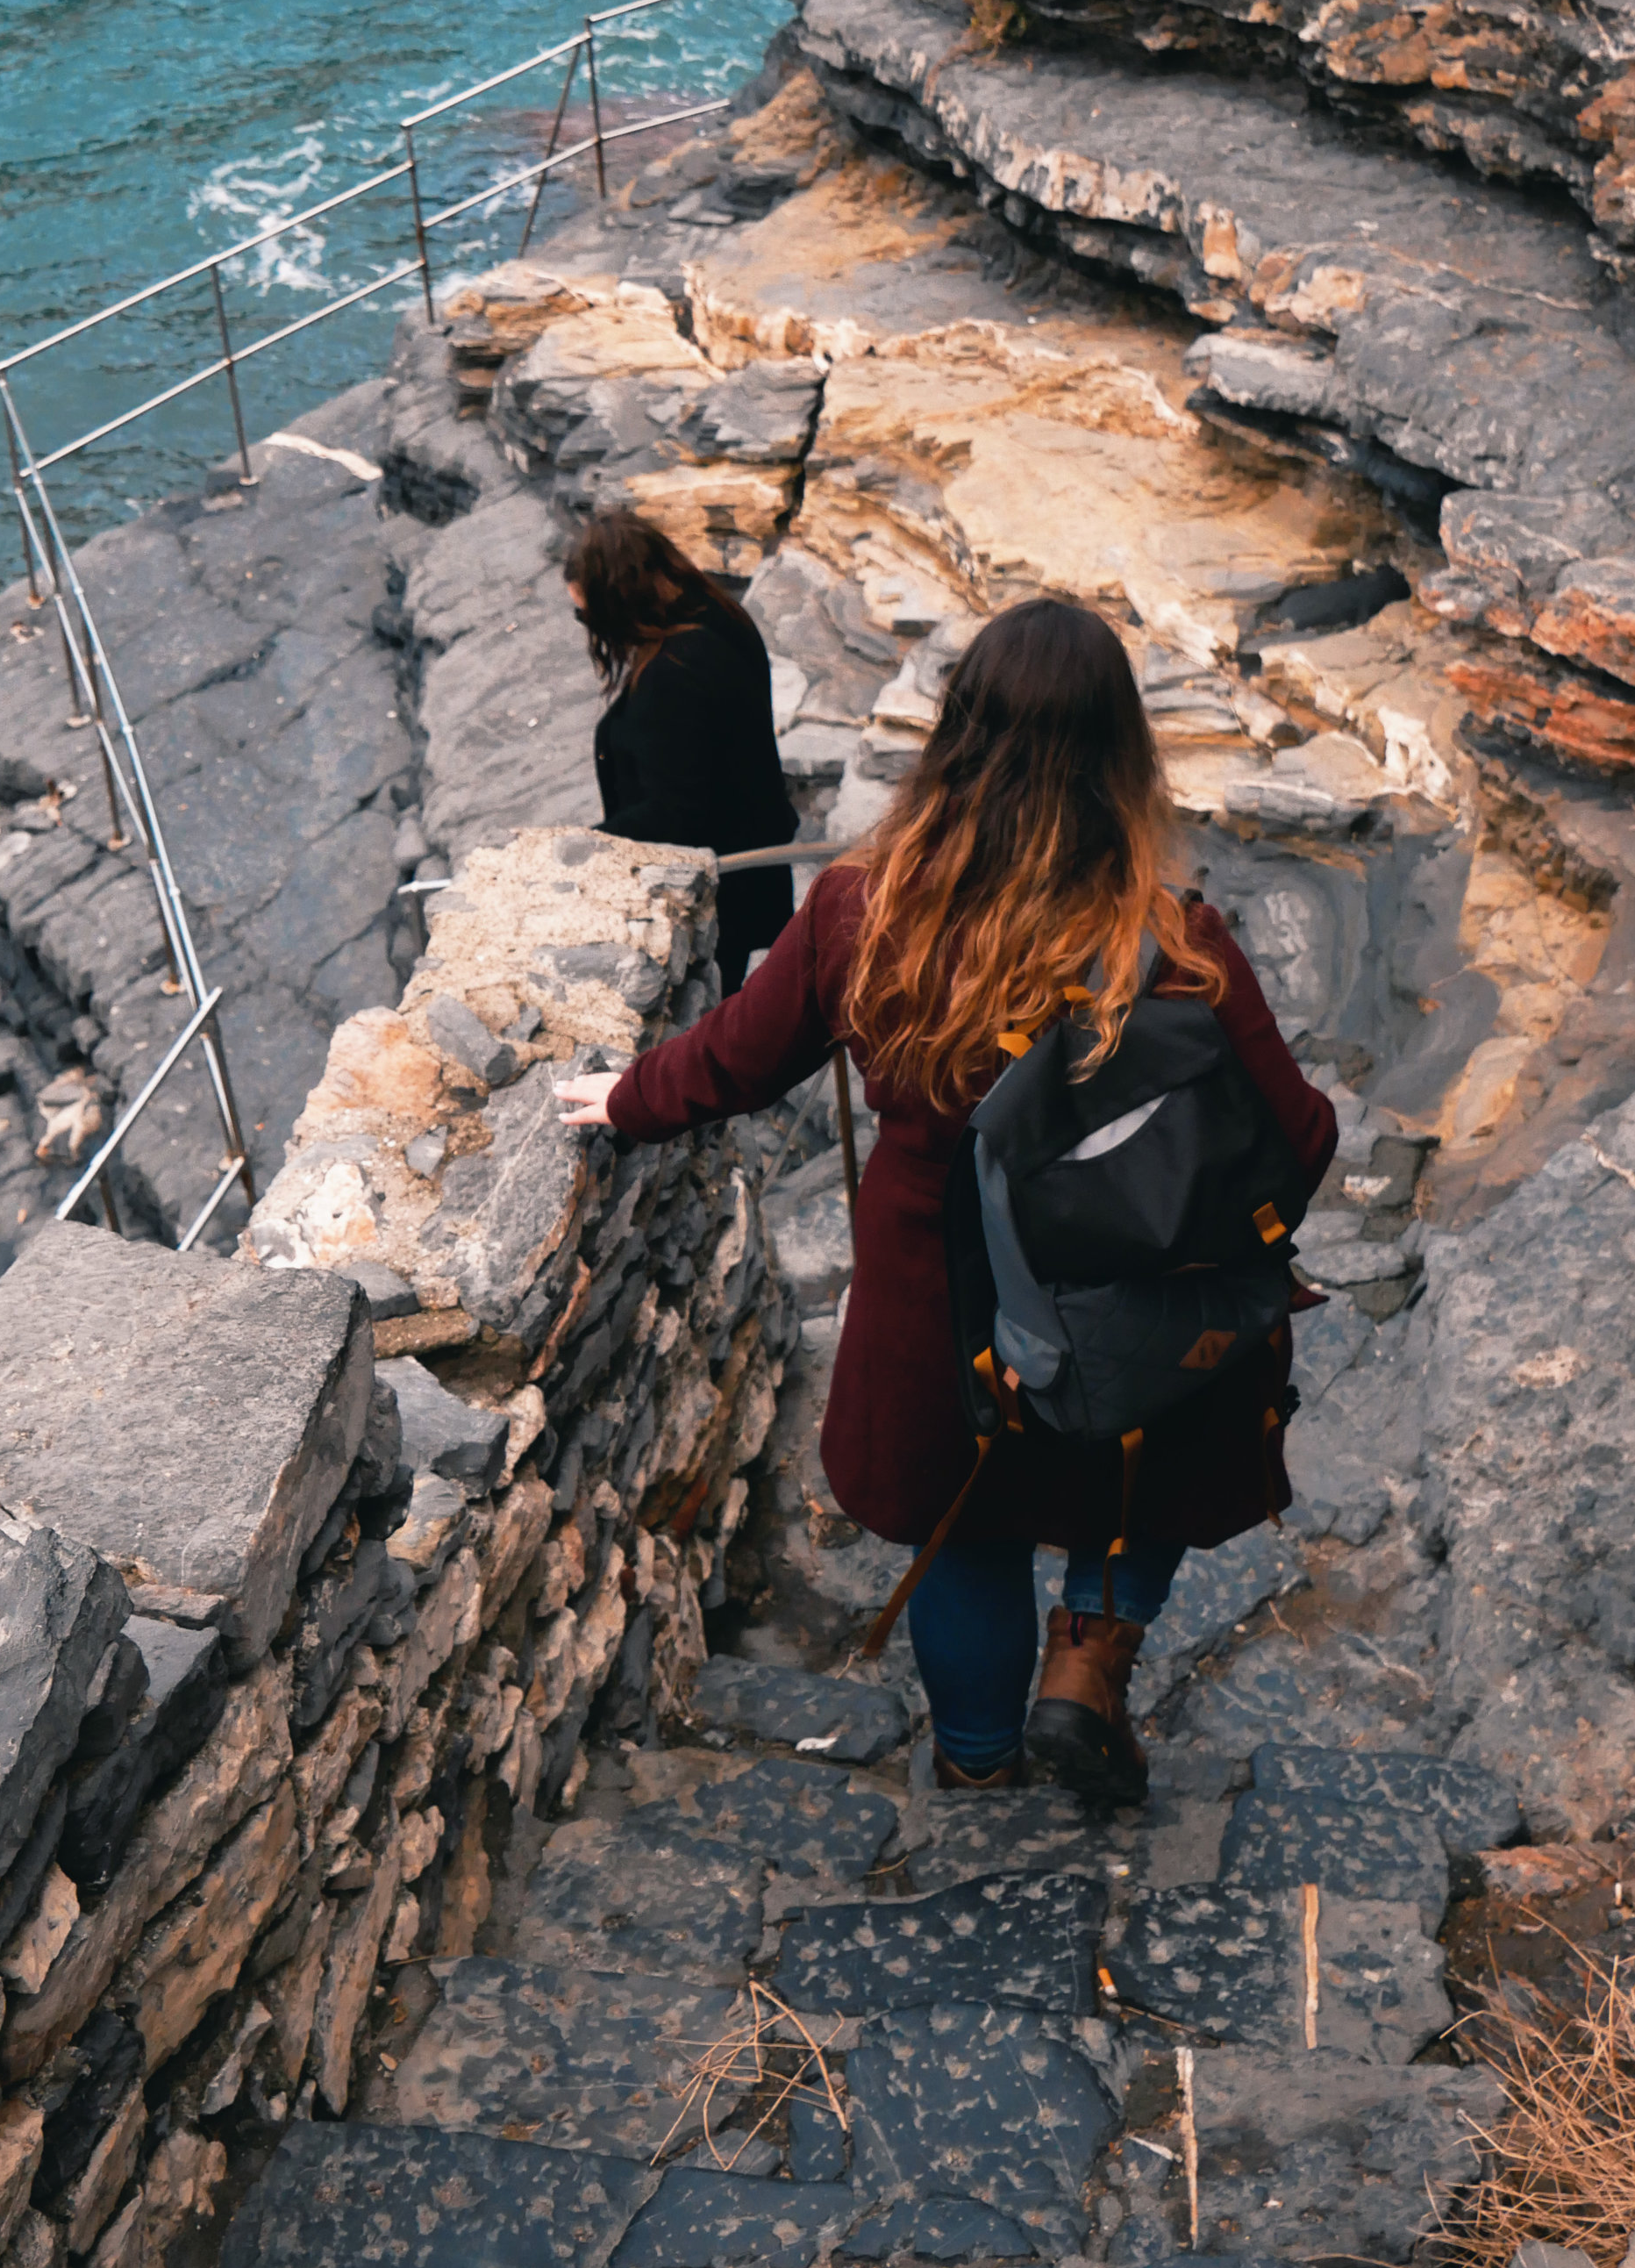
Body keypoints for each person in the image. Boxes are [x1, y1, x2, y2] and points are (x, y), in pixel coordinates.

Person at [557, 596, 1337, 1804]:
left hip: (946, 1323)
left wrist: (621, 1098)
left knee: (965, 1530)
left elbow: (736, 1059)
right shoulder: (1179, 943)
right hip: (1129, 1320)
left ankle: (977, 1766)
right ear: (1121, 757)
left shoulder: (868, 914)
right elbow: (1300, 1140)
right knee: (1162, 1456)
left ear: (957, 735)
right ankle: (1087, 1657)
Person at [566, 509, 799, 1000]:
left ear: (614, 604)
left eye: (584, 613)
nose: (585, 625)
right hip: (753, 858)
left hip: (723, 885)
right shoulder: (717, 615)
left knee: (713, 1008)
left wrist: (583, 845)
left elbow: (674, 814)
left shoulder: (673, 677)